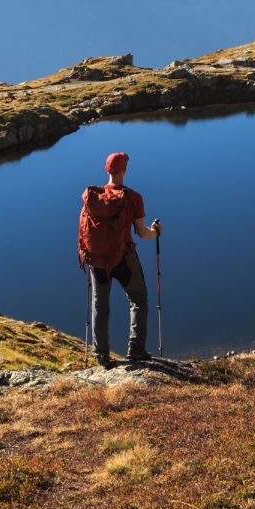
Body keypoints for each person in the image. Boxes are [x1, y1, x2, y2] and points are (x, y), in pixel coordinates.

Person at [78, 151, 161, 368]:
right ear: (124, 170)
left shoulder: (92, 198)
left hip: (97, 261)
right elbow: (142, 233)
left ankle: (102, 355)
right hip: (124, 259)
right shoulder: (133, 197)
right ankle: (136, 350)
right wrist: (156, 232)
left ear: (107, 170)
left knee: (100, 305)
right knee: (139, 299)